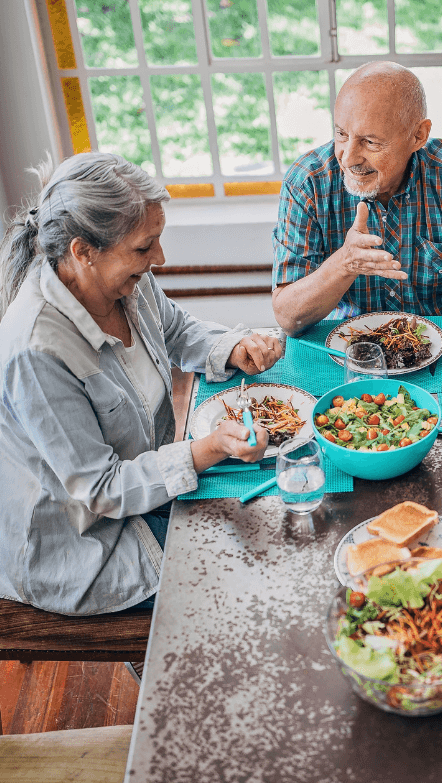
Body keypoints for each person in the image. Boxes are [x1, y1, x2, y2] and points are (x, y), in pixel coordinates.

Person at [0, 152, 283, 615]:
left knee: (266, 523)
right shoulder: (36, 351)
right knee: (242, 580)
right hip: (84, 540)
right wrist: (208, 449)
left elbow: (173, 330)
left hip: (144, 490)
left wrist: (231, 348)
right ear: (82, 251)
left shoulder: (125, 281)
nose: (160, 258)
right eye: (144, 247)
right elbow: (103, 489)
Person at [271, 61, 442, 334]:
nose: (347, 158)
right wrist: (344, 263)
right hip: (346, 350)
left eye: (370, 142)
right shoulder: (307, 183)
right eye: (341, 134)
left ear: (418, 135)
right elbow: (289, 318)